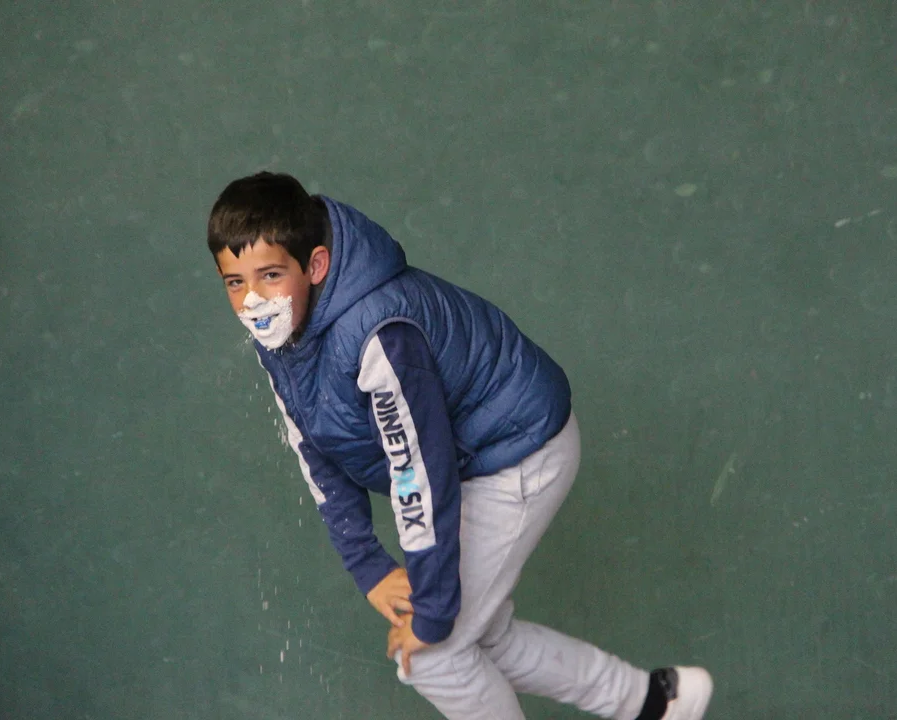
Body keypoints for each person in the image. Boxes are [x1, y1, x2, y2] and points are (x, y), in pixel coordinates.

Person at [206, 171, 714, 720]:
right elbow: (316, 452)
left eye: (271, 275)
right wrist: (368, 565)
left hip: (518, 451)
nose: (253, 300)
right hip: (470, 462)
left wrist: (432, 608)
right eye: (235, 282)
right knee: (484, 636)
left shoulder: (380, 335)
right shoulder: (280, 337)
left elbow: (418, 473)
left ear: (317, 265)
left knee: (434, 656)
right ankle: (657, 703)